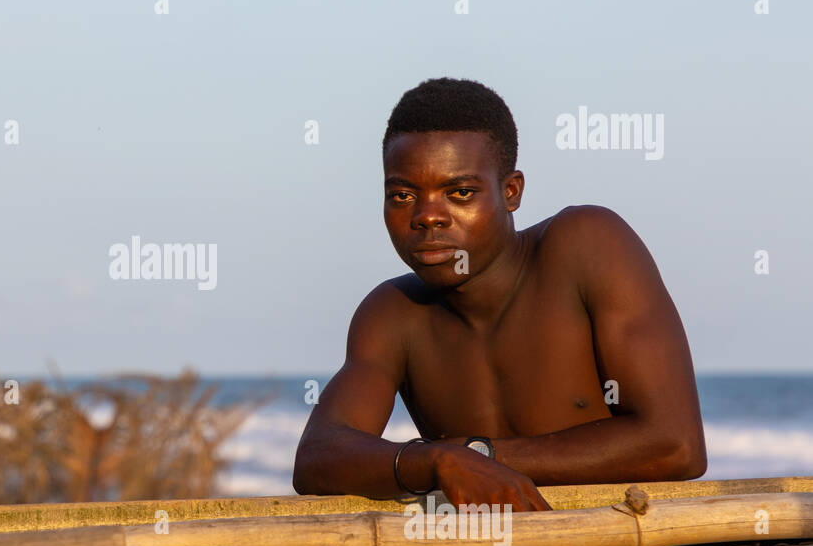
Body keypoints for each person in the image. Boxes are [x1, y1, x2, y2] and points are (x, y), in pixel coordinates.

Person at [293, 78, 706, 511]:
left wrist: (475, 457)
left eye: (460, 193)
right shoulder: (394, 313)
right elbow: (317, 457)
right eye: (403, 195)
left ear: (510, 192)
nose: (428, 217)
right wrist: (434, 460)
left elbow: (676, 445)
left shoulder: (586, 245)